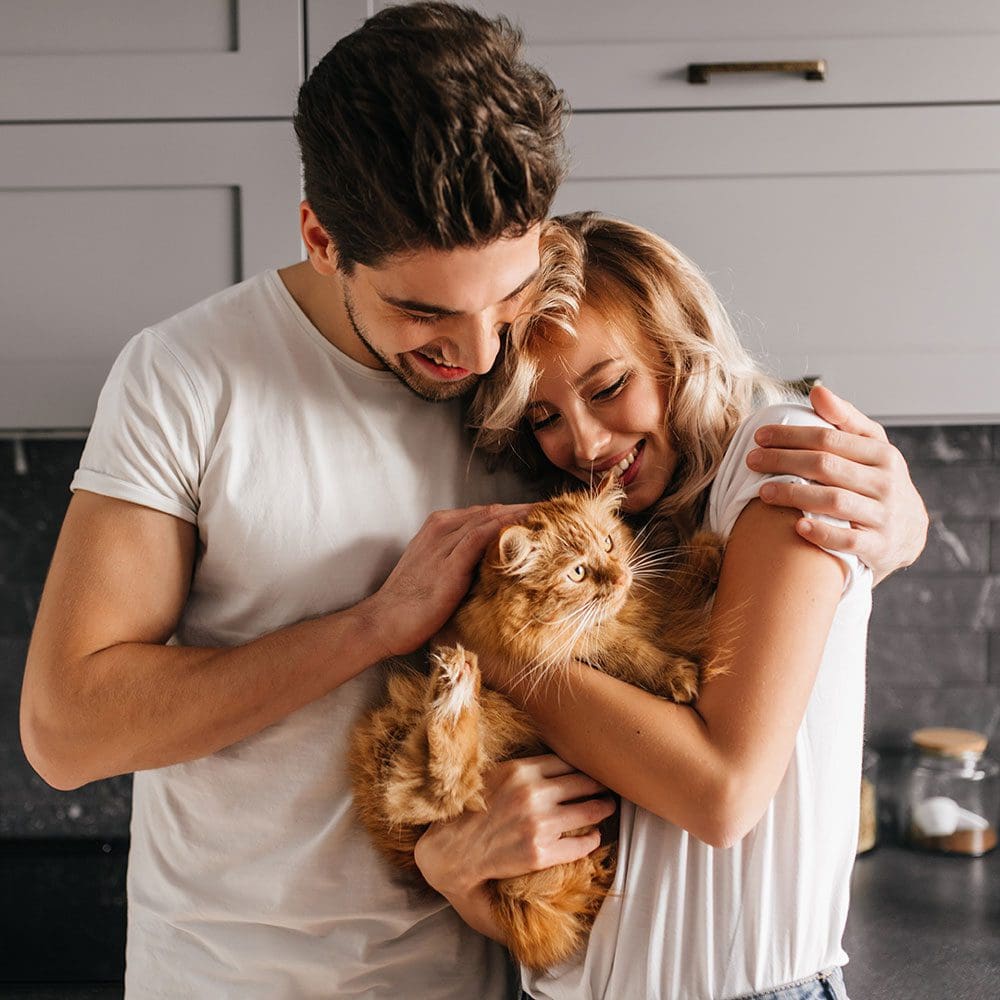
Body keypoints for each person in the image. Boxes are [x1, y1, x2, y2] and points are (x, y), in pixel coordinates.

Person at [19, 5, 926, 998]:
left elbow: (705, 507)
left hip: (504, 970)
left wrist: (894, 527)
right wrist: (376, 625)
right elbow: (69, 732)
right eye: (424, 313)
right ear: (321, 238)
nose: (480, 354)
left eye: (506, 298)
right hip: (240, 975)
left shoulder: (548, 379)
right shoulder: (189, 378)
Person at [413, 212, 897, 999]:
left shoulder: (776, 455)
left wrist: (492, 648)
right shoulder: (606, 534)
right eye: (543, 418)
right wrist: (457, 872)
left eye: (610, 387)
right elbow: (569, 924)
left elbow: (721, 794)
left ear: (680, 348)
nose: (587, 443)